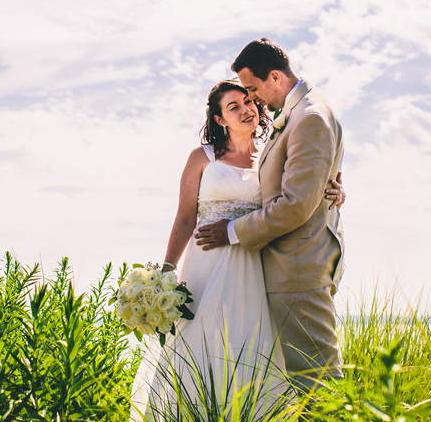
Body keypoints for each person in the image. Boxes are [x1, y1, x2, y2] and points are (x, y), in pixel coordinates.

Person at [129, 78, 345, 420]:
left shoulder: (274, 152)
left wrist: (334, 191)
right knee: (200, 341)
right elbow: (185, 219)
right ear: (219, 119)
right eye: (234, 107)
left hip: (258, 262)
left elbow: (302, 190)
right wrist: (166, 274)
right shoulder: (201, 158)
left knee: (254, 342)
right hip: (206, 266)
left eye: (248, 101)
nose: (246, 110)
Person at [195, 38, 346, 391]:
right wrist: (333, 192)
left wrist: (230, 231)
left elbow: (295, 204)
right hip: (283, 264)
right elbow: (302, 181)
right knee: (301, 374)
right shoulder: (301, 113)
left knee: (316, 377)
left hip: (299, 266)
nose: (253, 100)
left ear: (275, 77)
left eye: (252, 89)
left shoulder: (309, 117)